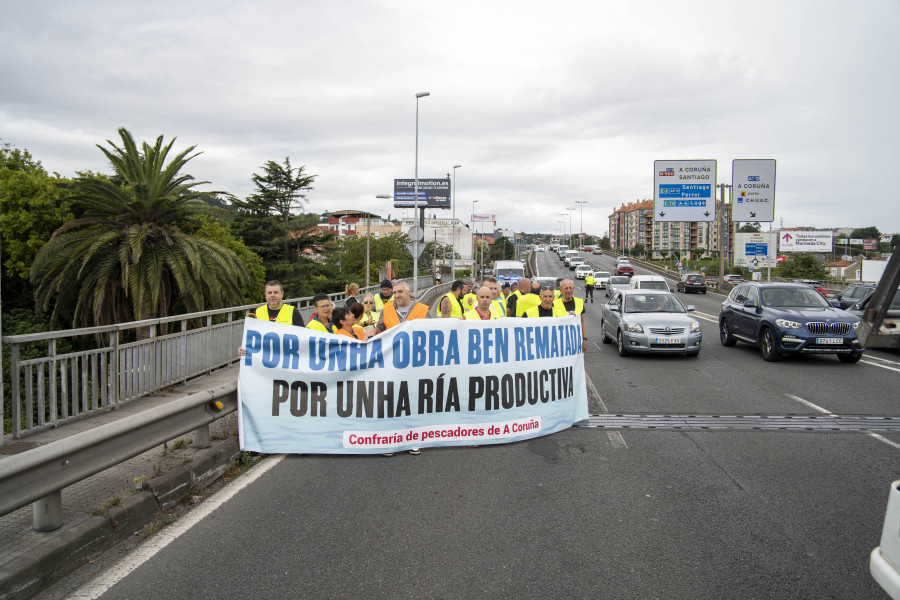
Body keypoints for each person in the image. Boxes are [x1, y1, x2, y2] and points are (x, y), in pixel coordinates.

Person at [373, 280, 428, 455]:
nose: (396, 295)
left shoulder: (423, 310)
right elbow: (381, 326)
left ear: (409, 292)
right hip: (392, 364)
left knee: (412, 401)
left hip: (415, 364)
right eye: (395, 292)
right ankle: (390, 440)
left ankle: (413, 440)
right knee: (391, 401)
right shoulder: (388, 308)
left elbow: (433, 332)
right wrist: (372, 333)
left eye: (400, 292)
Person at [553, 279, 588, 352]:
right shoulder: (554, 304)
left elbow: (582, 322)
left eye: (570, 288)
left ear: (573, 289)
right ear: (560, 290)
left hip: (576, 342)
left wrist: (584, 340)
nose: (568, 290)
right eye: (566, 288)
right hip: (561, 343)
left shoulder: (580, 302)